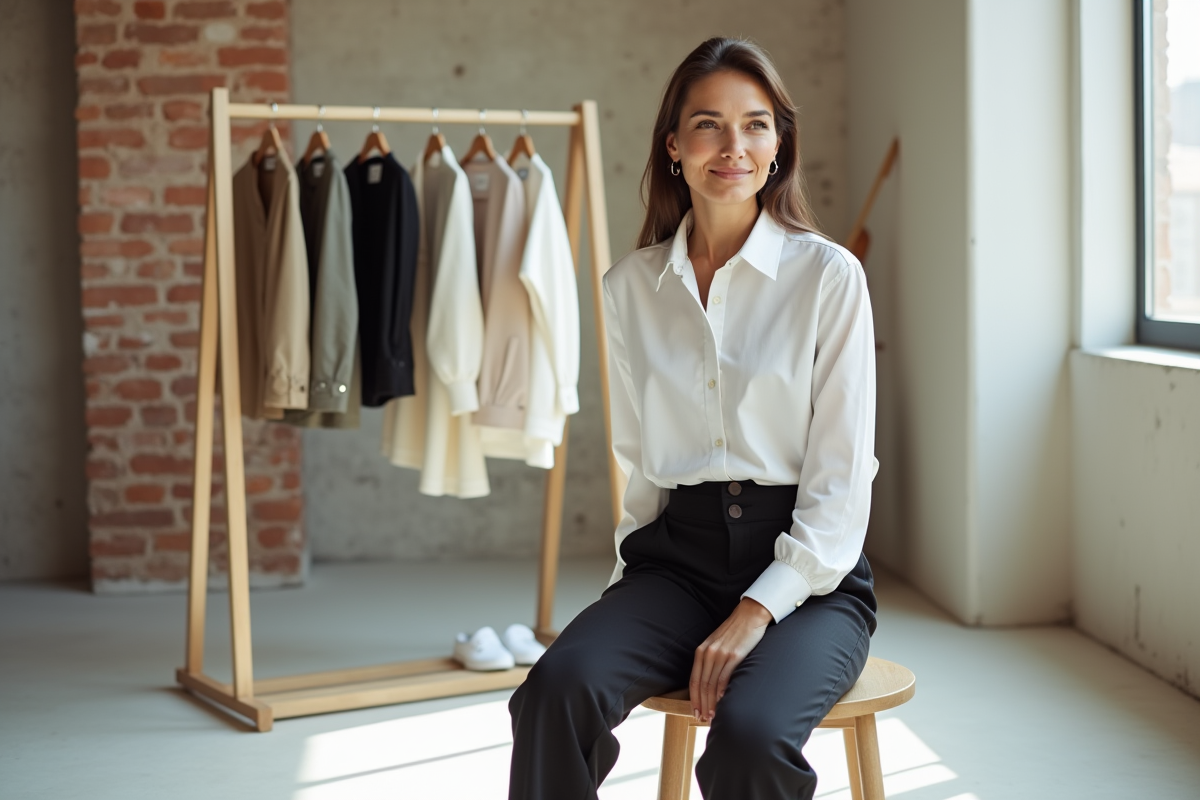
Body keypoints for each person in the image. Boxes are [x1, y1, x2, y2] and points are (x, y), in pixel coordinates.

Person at [508, 36, 879, 800]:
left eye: (756, 124)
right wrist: (623, 603)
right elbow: (638, 458)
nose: (733, 146)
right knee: (553, 693)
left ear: (779, 144)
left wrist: (756, 610)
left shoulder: (828, 277)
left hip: (809, 576)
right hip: (673, 562)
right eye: (709, 124)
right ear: (674, 145)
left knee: (748, 739)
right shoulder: (629, 288)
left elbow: (842, 479)